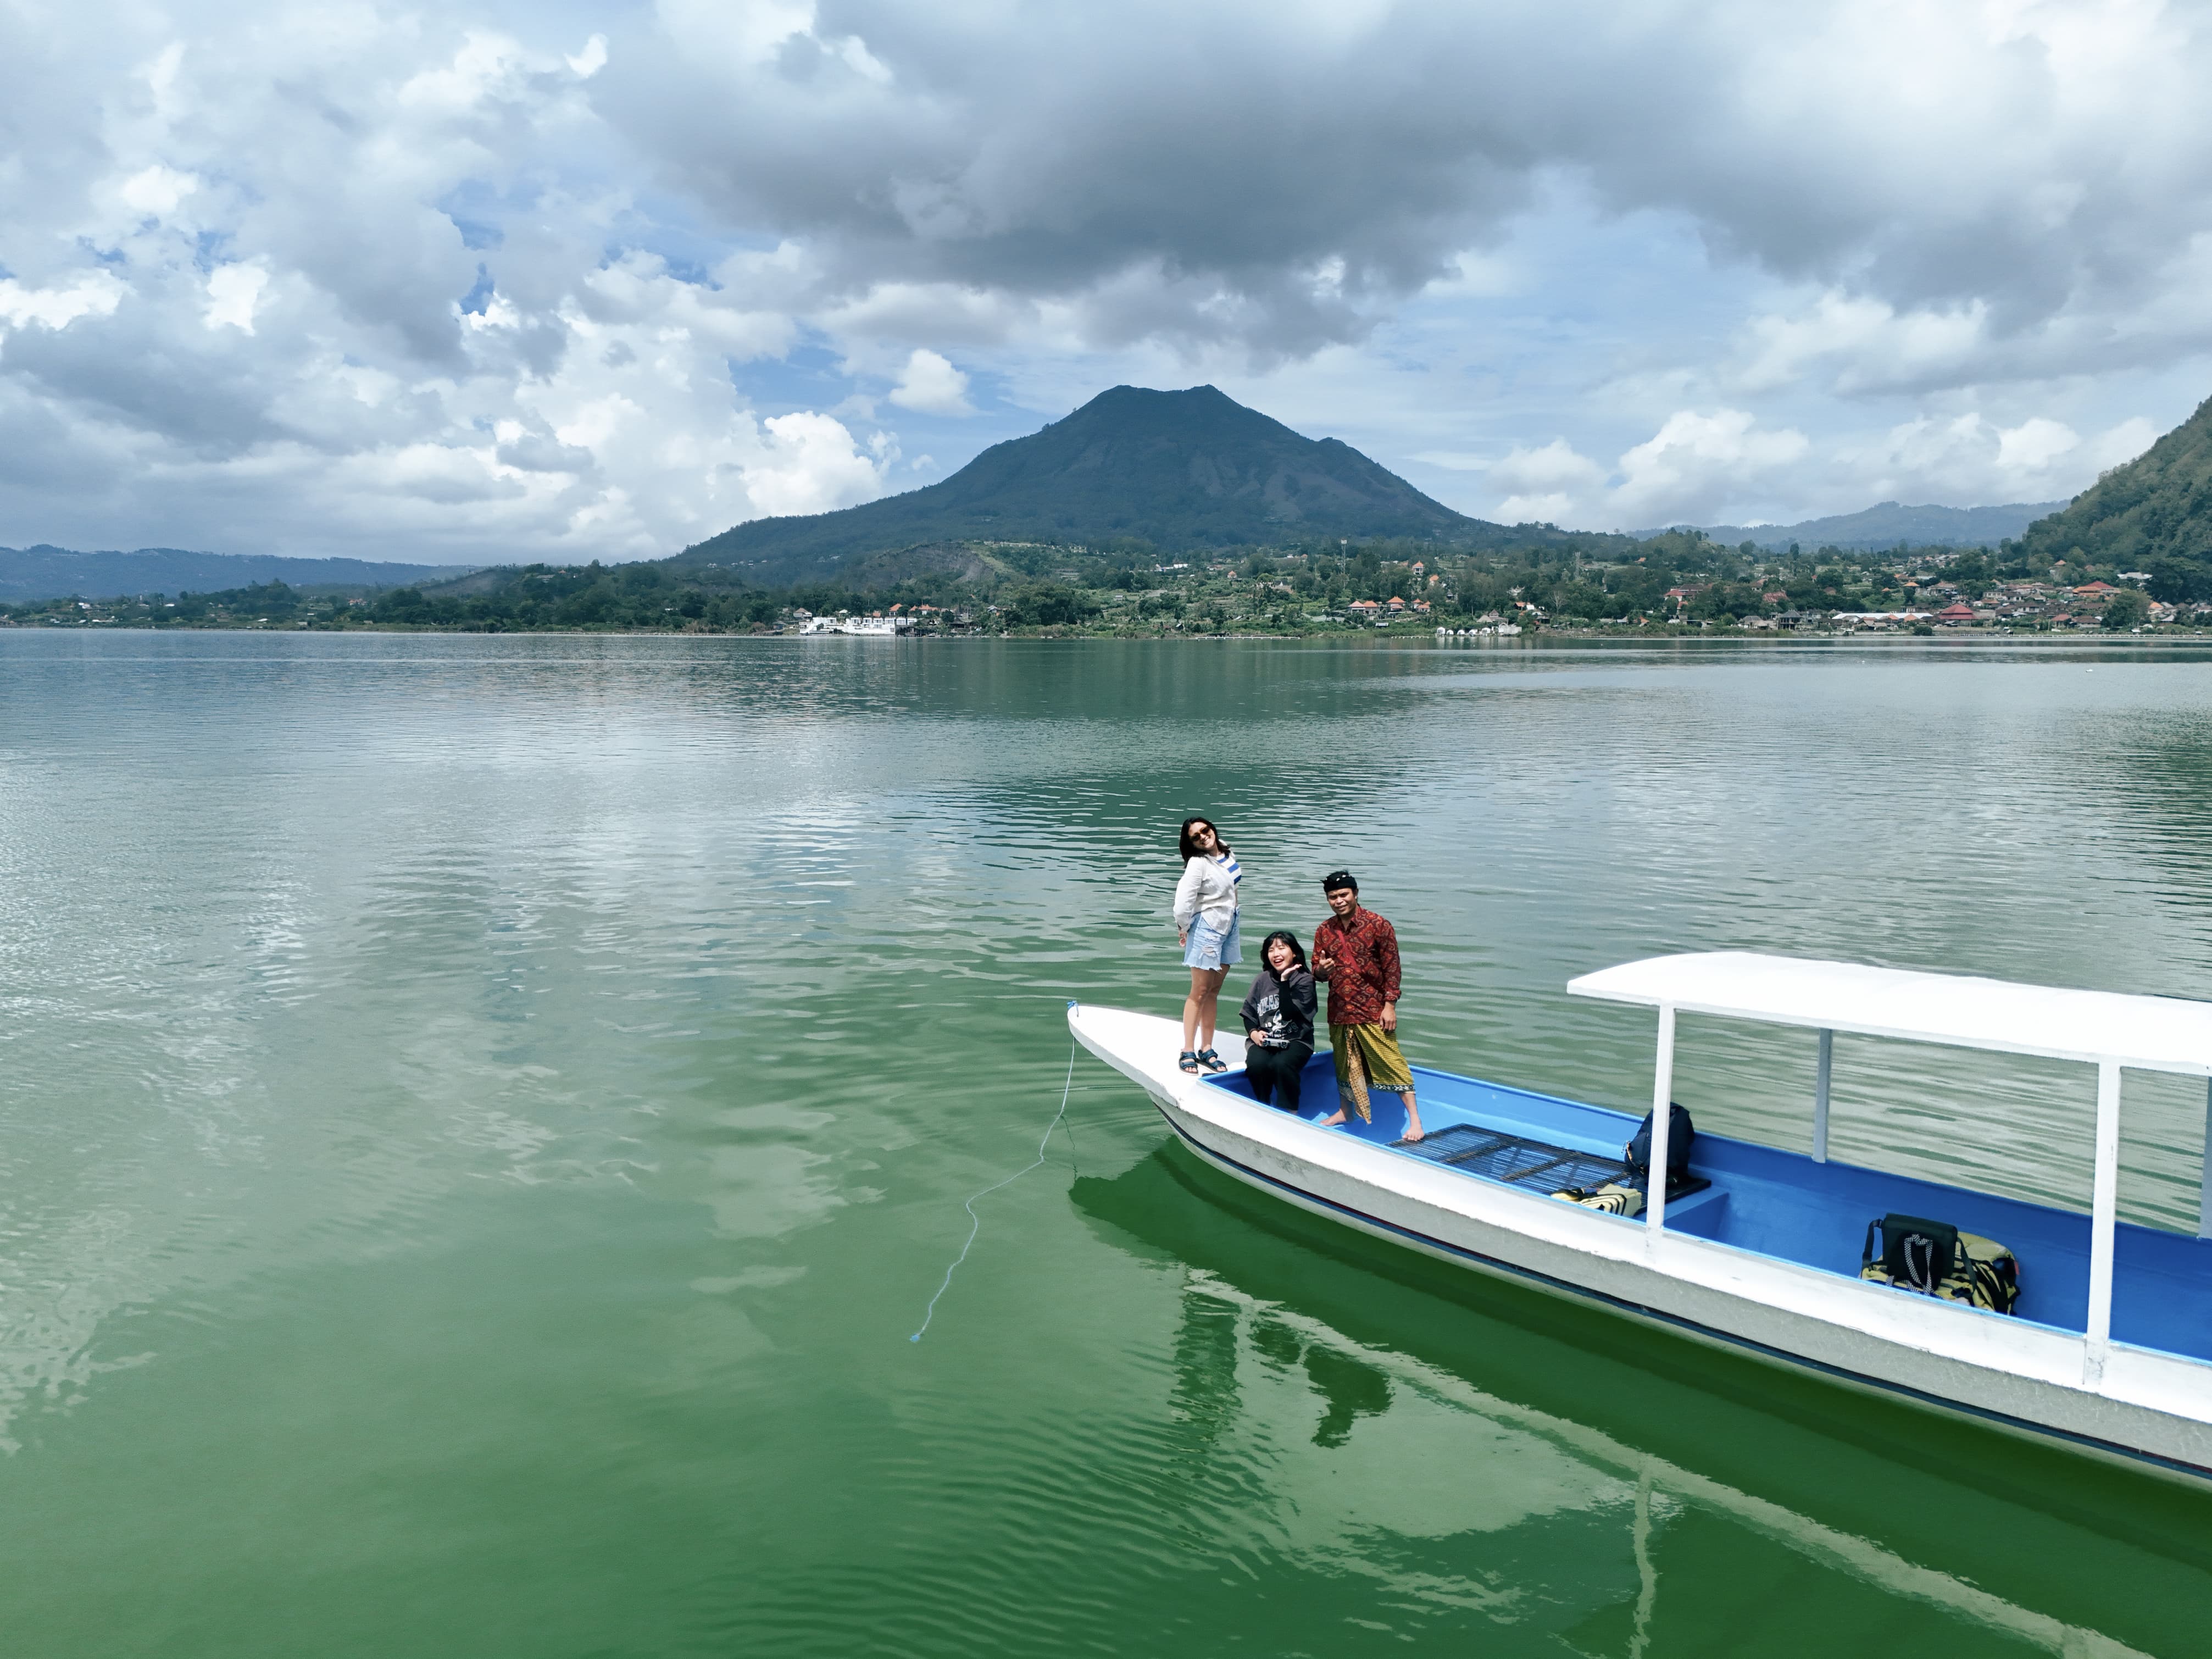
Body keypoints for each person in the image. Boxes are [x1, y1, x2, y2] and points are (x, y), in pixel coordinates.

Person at [1310, 871, 1424, 1142]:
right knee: (1345, 1064)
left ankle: (1416, 1120)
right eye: (1332, 897)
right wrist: (1322, 970)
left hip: (1373, 1009)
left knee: (1392, 1061)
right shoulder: (1325, 930)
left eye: (1343, 895)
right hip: (1340, 1009)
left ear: (1356, 893)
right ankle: (1345, 1111)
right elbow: (1316, 970)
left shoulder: (1378, 925)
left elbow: (1392, 968)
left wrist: (1390, 1005)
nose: (1338, 901)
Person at [1172, 816, 1242, 1074]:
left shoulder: (1225, 849)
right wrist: (1184, 929)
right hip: (1207, 928)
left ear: (1212, 828)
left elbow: (1233, 886)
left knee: (1214, 991)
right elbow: (1182, 904)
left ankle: (1207, 1048)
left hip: (1229, 924)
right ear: (1190, 843)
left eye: (1205, 830)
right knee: (1199, 992)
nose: (1203, 836)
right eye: (1196, 836)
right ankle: (1188, 1050)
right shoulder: (1197, 864)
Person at [1240, 930, 1316, 1112]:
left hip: (1297, 1040)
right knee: (1257, 1065)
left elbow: (1289, 1014)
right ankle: (1264, 1105)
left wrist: (1284, 981)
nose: (1276, 954)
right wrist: (1254, 1033)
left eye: (1282, 948)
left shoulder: (1305, 980)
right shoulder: (1261, 980)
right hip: (1265, 1040)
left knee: (1282, 1065)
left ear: (1294, 952)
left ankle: (1290, 1111)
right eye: (1271, 950)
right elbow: (1248, 1014)